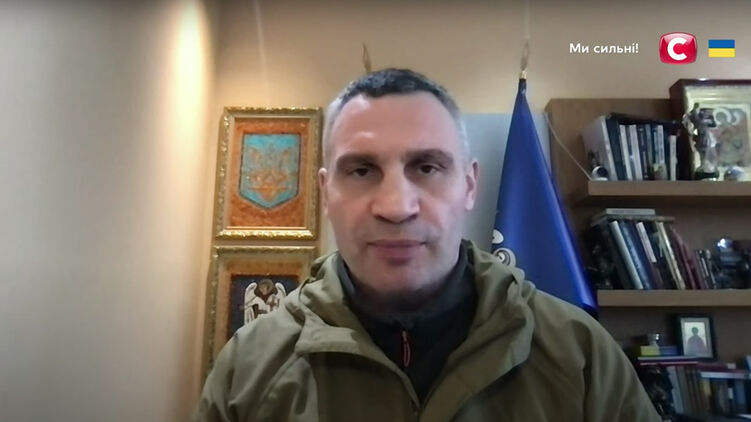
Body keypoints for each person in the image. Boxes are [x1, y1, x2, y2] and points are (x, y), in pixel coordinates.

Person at [193, 68, 660, 421]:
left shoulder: (581, 356)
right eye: (361, 170)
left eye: (427, 167)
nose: (396, 207)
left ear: (469, 185)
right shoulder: (248, 370)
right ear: (325, 192)